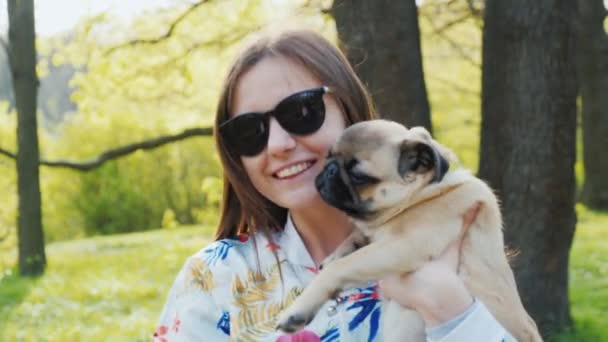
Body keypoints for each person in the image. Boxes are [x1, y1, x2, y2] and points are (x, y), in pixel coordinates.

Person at [155, 29, 516, 341]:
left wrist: (450, 309)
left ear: (349, 108)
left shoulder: (457, 246)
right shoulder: (214, 280)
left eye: (300, 112)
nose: (278, 144)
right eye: (250, 131)